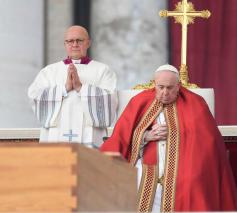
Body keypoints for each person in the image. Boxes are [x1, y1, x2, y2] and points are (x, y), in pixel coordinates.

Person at [100, 64, 237, 212]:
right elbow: (121, 138)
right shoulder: (139, 101)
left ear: (178, 86)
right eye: (160, 87)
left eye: (170, 88)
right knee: (134, 180)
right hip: (147, 161)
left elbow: (208, 143)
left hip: (185, 162)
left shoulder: (196, 103)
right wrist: (145, 136)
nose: (165, 92)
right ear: (154, 84)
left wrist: (176, 133)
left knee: (192, 181)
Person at [28, 25, 117, 147]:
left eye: (79, 40)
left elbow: (111, 100)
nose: (74, 44)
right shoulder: (49, 71)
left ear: (88, 43)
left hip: (89, 139)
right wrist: (64, 88)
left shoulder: (103, 70)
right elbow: (34, 97)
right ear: (65, 44)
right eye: (70, 41)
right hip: (55, 137)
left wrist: (81, 87)